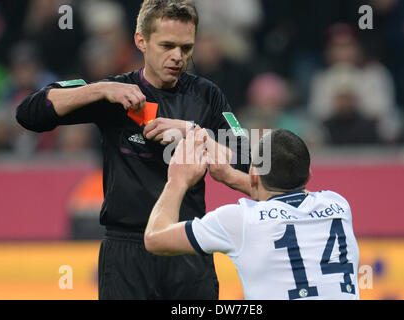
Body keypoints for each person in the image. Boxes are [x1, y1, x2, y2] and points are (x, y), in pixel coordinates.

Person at [16, 0, 249, 300]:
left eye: (186, 48)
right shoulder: (114, 93)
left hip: (187, 246)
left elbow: (249, 161)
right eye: (167, 45)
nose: (177, 57)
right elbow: (29, 113)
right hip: (126, 252)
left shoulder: (208, 96)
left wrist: (194, 133)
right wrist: (99, 89)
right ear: (141, 41)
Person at [145, 128, 360, 300]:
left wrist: (177, 181)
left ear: (254, 176)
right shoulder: (338, 204)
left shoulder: (239, 221)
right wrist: (230, 176)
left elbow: (155, 238)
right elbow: (290, 198)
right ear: (309, 175)